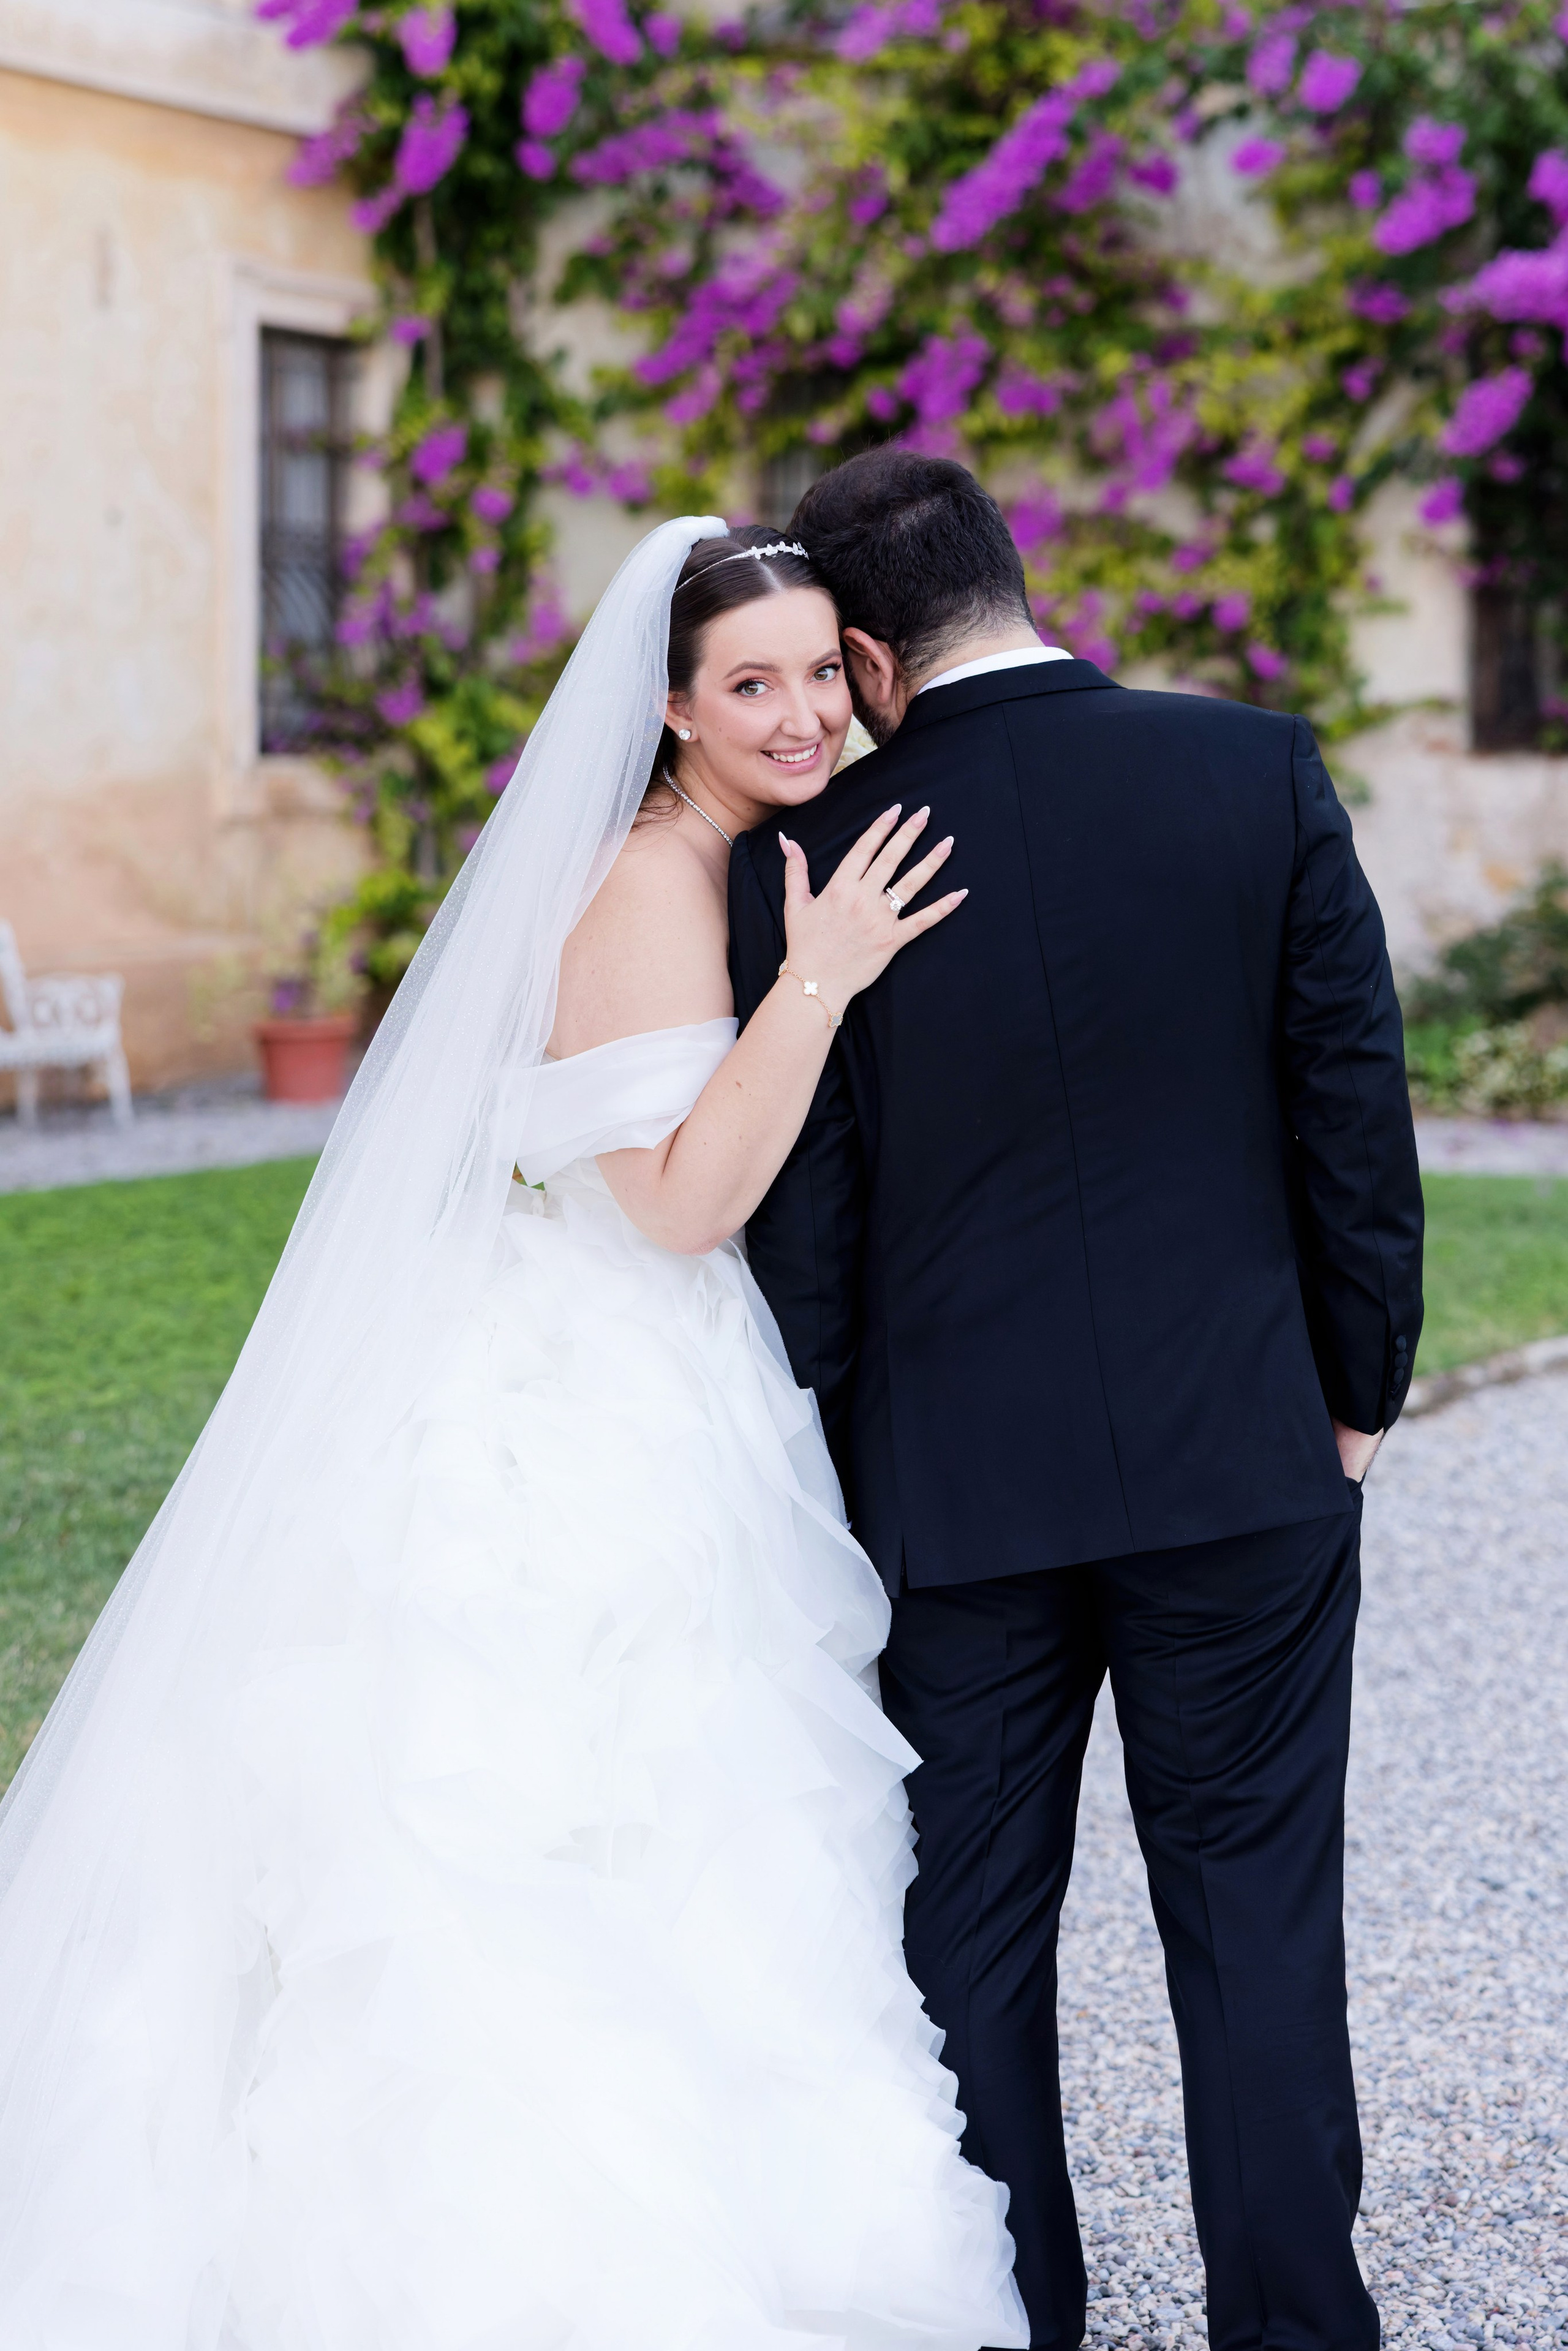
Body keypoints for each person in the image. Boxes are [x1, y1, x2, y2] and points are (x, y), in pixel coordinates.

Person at [0, 519, 1028, 2350]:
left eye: (817, 672)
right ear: (671, 706)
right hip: (600, 1404)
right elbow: (682, 1201)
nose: (801, 717)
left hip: (624, 1368)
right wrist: (826, 975)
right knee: (586, 1839)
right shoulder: (649, 888)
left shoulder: (689, 853)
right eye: (751, 686)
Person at [728, 450, 1425, 2351]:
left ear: (863, 653)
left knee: (966, 1952)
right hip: (1244, 1460)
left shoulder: (814, 862)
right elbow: (1352, 1119)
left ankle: (1010, 2325)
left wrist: (843, 1483)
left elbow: (814, 1232)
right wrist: (1354, 1394)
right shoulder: (1255, 770)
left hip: (954, 1498)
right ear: (1012, 580)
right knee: (1259, 1929)